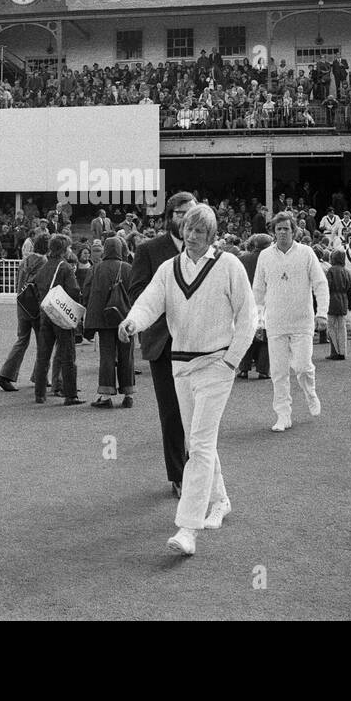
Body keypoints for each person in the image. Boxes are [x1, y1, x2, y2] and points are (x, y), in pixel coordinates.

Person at [119, 204, 256, 557]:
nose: (192, 235)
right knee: (199, 441)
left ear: (211, 235)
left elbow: (248, 315)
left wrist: (231, 361)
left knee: (199, 444)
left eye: (200, 231)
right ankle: (221, 500)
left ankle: (188, 528)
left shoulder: (229, 266)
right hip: (181, 366)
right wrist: (133, 321)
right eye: (188, 229)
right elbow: (151, 300)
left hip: (216, 366)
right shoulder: (169, 268)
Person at [128, 191, 197, 498]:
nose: (186, 218)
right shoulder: (149, 250)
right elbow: (138, 293)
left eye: (191, 213)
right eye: (180, 213)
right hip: (164, 343)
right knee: (172, 413)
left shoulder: (205, 249)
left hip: (201, 342)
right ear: (170, 216)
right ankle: (179, 475)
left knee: (200, 412)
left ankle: (201, 471)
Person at [253, 211, 329, 432]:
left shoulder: (306, 253)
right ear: (273, 232)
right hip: (275, 323)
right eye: (279, 229)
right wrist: (258, 321)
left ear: (294, 230)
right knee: (278, 372)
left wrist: (321, 313)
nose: (283, 232)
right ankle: (283, 415)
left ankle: (310, 392)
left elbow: (320, 284)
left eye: (287, 228)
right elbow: (257, 290)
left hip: (302, 322)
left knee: (303, 367)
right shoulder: (265, 256)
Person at [82, 234, 135, 408]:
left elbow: (88, 294)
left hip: (104, 319)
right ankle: (128, 394)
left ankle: (105, 396)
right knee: (127, 356)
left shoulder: (96, 268)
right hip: (125, 318)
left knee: (107, 357)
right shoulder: (128, 268)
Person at [30, 234, 83, 405]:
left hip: (45, 314)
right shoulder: (65, 267)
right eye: (68, 247)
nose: (70, 250)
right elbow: (74, 291)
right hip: (61, 316)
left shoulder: (44, 267)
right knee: (67, 355)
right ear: (63, 249)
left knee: (43, 355)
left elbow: (36, 286)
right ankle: (71, 394)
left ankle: (40, 394)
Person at [0, 234, 48, 392]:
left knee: (22, 341)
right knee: (43, 343)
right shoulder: (44, 262)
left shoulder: (24, 261)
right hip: (36, 308)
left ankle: (5, 375)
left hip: (22, 304)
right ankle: (40, 376)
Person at [236, 233, 272, 379]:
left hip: (246, 303)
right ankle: (263, 370)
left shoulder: (242, 259)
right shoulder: (270, 260)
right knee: (265, 338)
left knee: (247, 336)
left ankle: (243, 369)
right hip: (265, 302)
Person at [323, 249, 351, 361]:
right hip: (343, 300)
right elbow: (350, 290)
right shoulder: (347, 272)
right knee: (342, 327)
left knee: (331, 327)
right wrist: (350, 304)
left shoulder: (331, 271)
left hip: (332, 300)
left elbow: (327, 287)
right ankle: (343, 351)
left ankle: (335, 351)